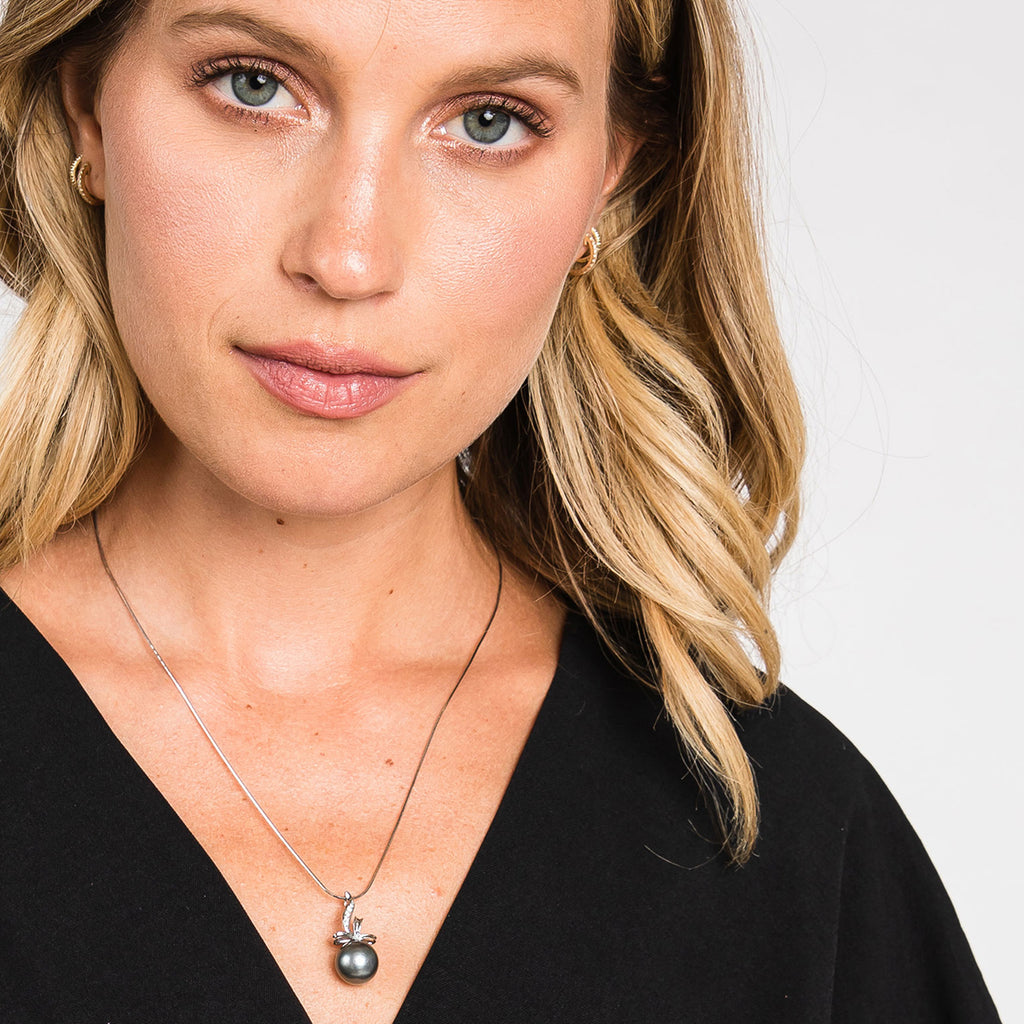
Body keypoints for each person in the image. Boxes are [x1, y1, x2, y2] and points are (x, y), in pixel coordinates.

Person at [0, 0, 1002, 1020]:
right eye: (252, 85)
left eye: (488, 122)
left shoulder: (783, 838)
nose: (347, 258)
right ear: (88, 109)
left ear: (611, 176)